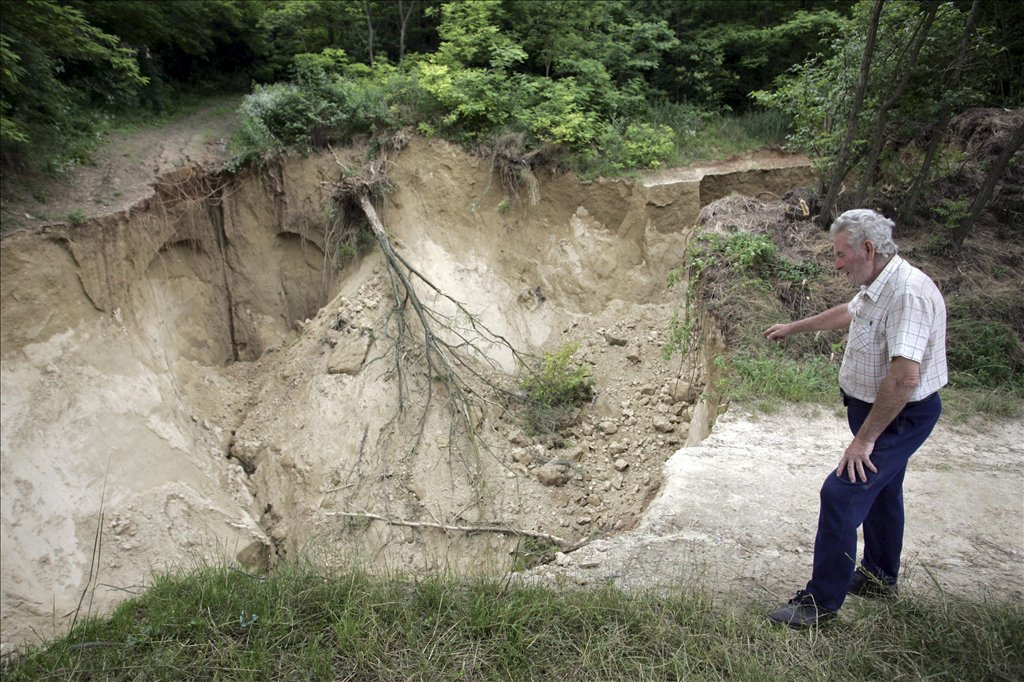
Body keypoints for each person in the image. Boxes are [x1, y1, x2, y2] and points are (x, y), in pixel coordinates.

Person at [762, 208, 948, 628]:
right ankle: (880, 577)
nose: (837, 263)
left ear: (868, 248)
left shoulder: (907, 294)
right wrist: (794, 327)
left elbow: (904, 379)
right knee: (882, 491)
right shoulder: (876, 284)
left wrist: (864, 440)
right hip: (874, 409)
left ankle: (820, 602)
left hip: (900, 416)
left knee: (841, 493)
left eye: (842, 254)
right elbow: (849, 313)